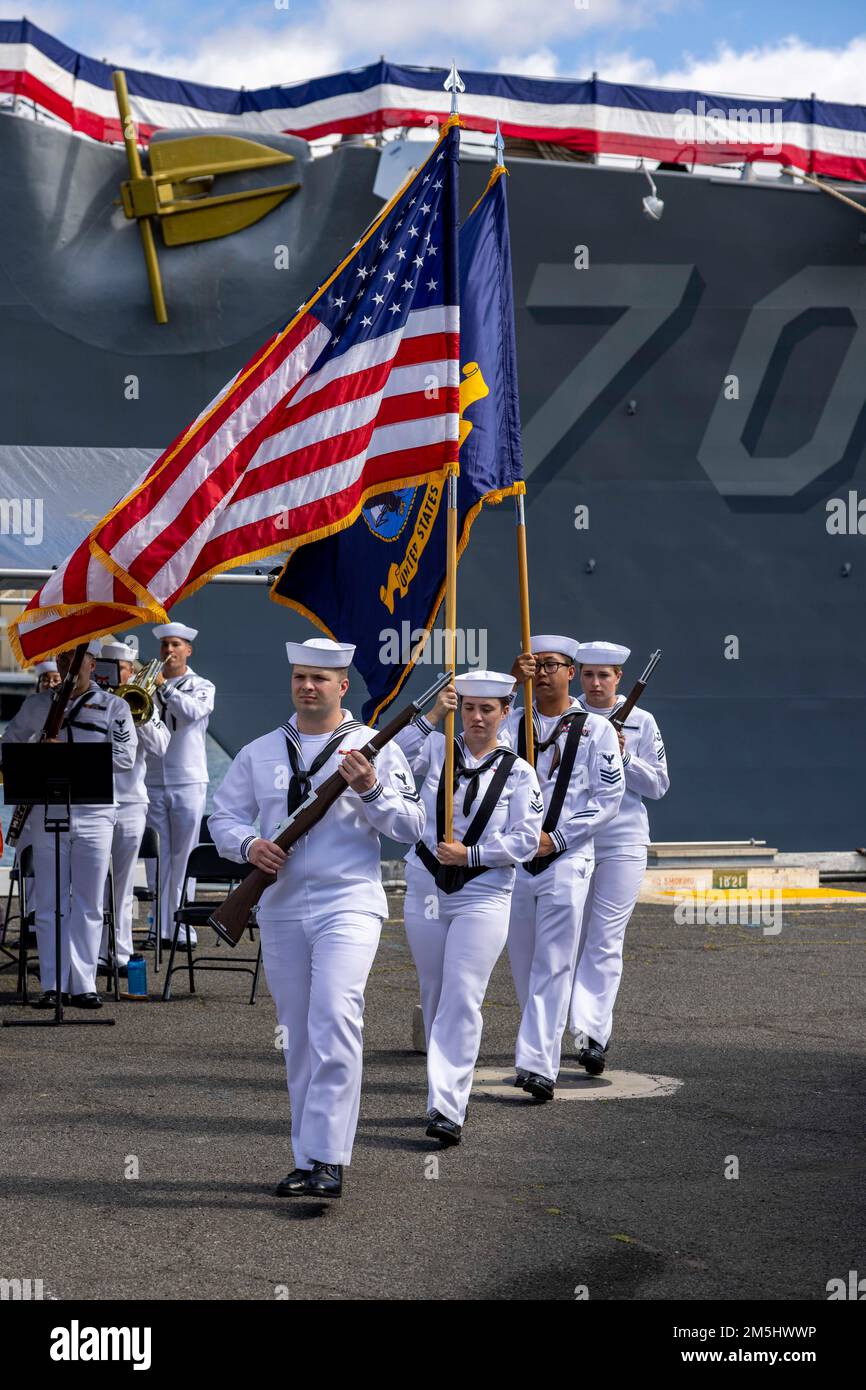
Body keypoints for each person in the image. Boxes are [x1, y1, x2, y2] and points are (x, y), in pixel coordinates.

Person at [209, 637, 425, 1200]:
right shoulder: (260, 751)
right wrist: (248, 845)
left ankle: (329, 1157)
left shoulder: (374, 750)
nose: (309, 686)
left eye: (320, 679)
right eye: (301, 677)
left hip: (348, 901)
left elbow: (411, 827)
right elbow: (223, 816)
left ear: (342, 686)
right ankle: (307, 1158)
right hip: (280, 907)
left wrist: (371, 788)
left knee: (335, 1014)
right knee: (299, 1034)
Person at [395, 671, 542, 1146]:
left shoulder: (520, 771)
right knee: (435, 992)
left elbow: (525, 840)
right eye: (470, 708)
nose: (477, 718)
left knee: (462, 995)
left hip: (483, 891)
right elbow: (389, 751)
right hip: (426, 888)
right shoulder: (437, 750)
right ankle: (440, 1092)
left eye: (488, 709)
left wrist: (471, 855)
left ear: (505, 711)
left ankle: (447, 1108)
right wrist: (435, 712)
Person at [504, 635, 625, 1100]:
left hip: (566, 858)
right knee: (522, 964)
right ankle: (539, 1046)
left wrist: (557, 838)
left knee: (553, 964)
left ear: (571, 672)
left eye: (552, 665)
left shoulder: (595, 730)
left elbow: (607, 800)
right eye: (536, 664)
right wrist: (514, 684)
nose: (544, 672)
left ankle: (538, 1064)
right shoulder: (510, 725)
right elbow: (470, 745)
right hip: (516, 863)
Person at [0, 641, 137, 1007]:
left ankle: (84, 983)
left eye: (78, 659)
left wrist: (72, 756)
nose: (69, 665)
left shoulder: (114, 706)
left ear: (93, 664)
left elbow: (125, 758)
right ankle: (53, 984)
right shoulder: (38, 705)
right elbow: (8, 748)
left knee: (89, 902)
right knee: (49, 901)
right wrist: (37, 747)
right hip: (48, 810)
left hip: (94, 812)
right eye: (63, 658)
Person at [569, 641, 670, 1073]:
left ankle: (592, 1033)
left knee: (605, 939)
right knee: (566, 937)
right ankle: (557, 1024)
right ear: (578, 676)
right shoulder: (565, 717)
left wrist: (623, 754)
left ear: (618, 679)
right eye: (588, 674)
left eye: (603, 676)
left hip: (622, 841)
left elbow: (659, 785)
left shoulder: (642, 721)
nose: (595, 683)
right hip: (570, 838)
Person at [98, 641, 171, 976]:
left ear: (132, 671)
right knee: (93, 883)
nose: (116, 674)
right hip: (93, 802)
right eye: (109, 668)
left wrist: (138, 716)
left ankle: (121, 952)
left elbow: (161, 747)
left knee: (124, 883)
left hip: (130, 802)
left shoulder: (143, 700)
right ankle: (96, 952)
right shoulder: (91, 701)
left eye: (122, 668)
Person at [144, 622, 214, 947]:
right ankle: (159, 926)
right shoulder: (146, 685)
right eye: (164, 646)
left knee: (183, 855)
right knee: (157, 859)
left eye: (175, 645)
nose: (169, 651)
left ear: (188, 650)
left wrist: (165, 689)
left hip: (188, 780)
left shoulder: (202, 685)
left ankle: (181, 927)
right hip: (153, 781)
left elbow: (191, 713)